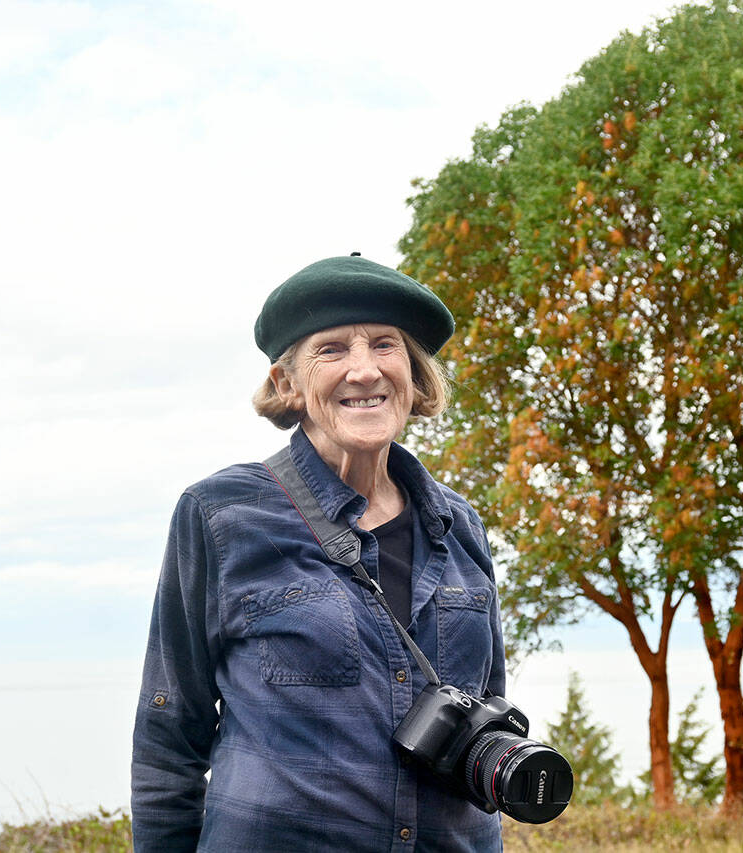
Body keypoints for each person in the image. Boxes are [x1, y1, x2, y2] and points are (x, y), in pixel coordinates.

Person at [130, 254, 506, 851]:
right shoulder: (220, 513)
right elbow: (167, 741)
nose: (364, 371)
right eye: (331, 350)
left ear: (413, 373)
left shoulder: (460, 524)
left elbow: (486, 714)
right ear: (288, 385)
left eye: (385, 345)